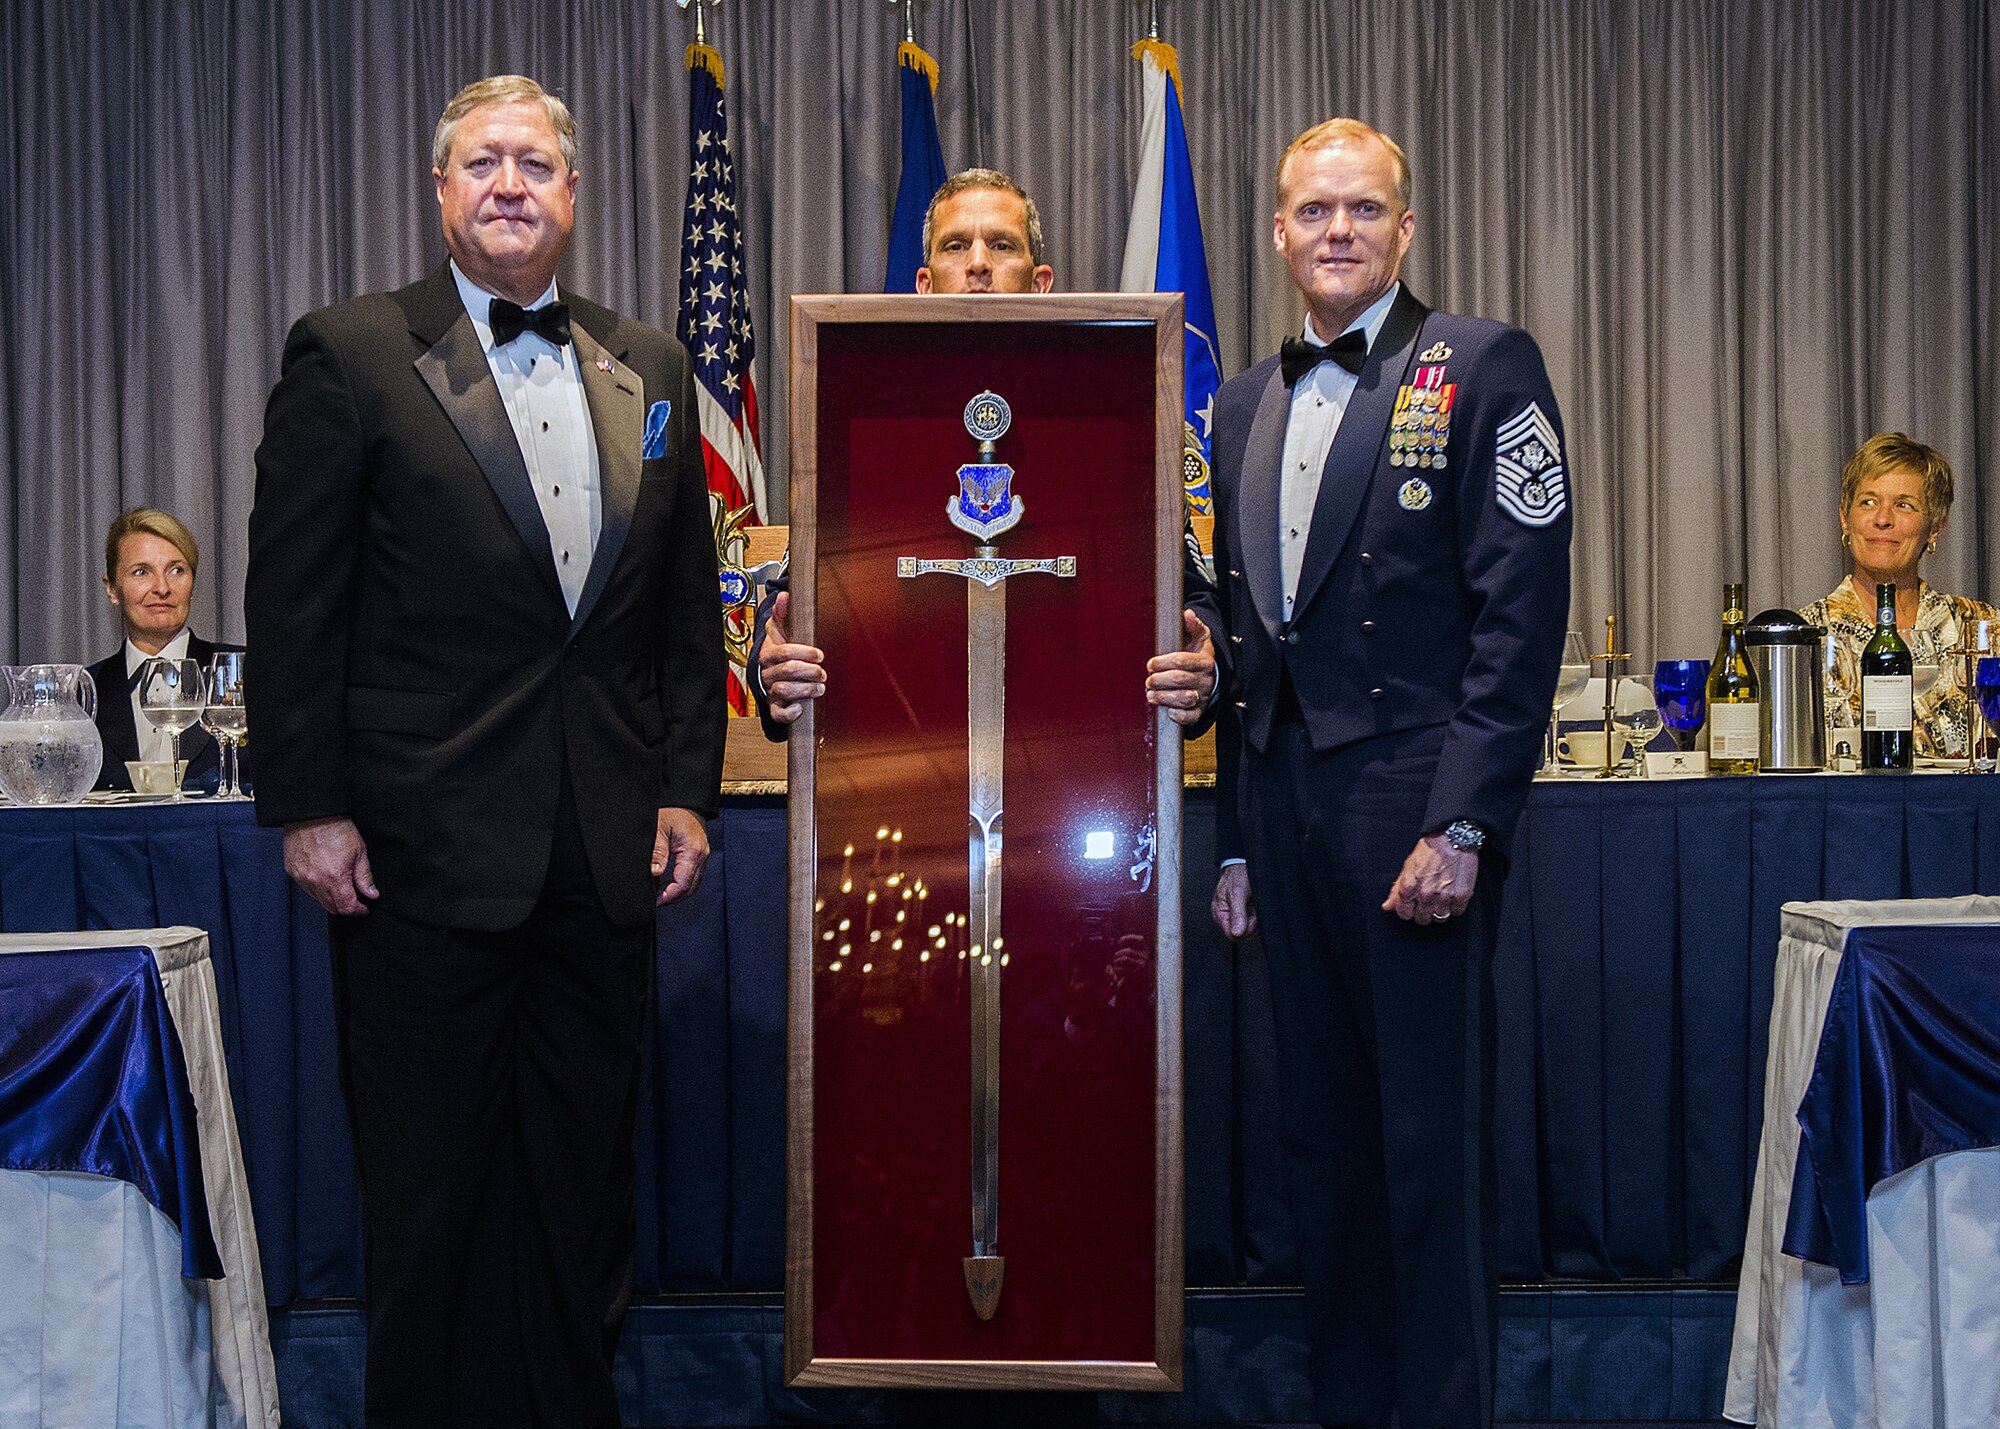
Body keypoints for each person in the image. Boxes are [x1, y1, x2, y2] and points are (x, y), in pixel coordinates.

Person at [245, 75, 724, 1429]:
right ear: (440, 191)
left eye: (535, 164)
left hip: (604, 855)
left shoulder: (654, 368)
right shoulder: (349, 353)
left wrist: (687, 783)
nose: (509, 184)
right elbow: (292, 606)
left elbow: (684, 605)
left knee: (582, 1194)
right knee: (430, 1200)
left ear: (574, 193)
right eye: (480, 164)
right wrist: (310, 806)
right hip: (415, 857)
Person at [1196, 119, 1572, 1429]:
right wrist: (1237, 840)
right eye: (1314, 210)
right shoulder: (1239, 399)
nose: (1338, 230)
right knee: (1326, 1154)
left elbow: (1521, 621)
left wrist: (1465, 818)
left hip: (1414, 802)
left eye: (1363, 209)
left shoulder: (1479, 364)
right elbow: (1247, 649)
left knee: (1427, 1154)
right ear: (1280, 233)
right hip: (1289, 813)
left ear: (1404, 229)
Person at [752, 167, 1217, 732]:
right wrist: (768, 663)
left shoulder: (1108, 419)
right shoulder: (867, 424)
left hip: (1080, 729)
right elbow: (794, 597)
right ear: (924, 283)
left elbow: (1191, 590)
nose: (977, 263)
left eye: (1001, 244)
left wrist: (1204, 668)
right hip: (902, 735)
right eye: (955, 246)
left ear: (1040, 281)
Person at [1800, 432, 1998, 758]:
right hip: (1842, 808)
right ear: (1844, 519)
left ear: (1935, 527)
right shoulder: (1803, 635)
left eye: (1904, 505)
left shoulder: (1982, 628)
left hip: (1960, 808)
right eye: (1868, 502)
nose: (1882, 519)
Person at [86, 508, 235, 791]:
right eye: (141, 572)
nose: (162, 588)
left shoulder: (241, 672)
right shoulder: (83, 694)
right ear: (112, 589)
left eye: (176, 570)